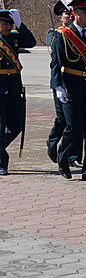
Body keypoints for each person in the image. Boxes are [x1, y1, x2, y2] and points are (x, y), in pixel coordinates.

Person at [50, 0, 86, 181]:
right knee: (73, 128)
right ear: (74, 13)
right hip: (70, 86)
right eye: (85, 10)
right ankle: (63, 159)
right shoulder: (63, 35)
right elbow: (56, 63)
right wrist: (58, 86)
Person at [46, 1, 83, 168]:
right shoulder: (55, 34)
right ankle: (52, 143)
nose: (70, 16)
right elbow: (55, 59)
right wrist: (57, 85)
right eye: (66, 14)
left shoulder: (82, 34)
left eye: (71, 13)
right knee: (64, 120)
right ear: (60, 17)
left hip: (79, 82)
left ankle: (74, 156)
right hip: (62, 82)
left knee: (76, 120)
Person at [0, 9, 36, 175]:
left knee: (16, 126)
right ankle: (2, 163)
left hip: (14, 87)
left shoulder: (14, 37)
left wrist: (20, 25)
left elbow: (30, 42)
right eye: (4, 23)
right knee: (0, 128)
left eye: (10, 23)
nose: (7, 26)